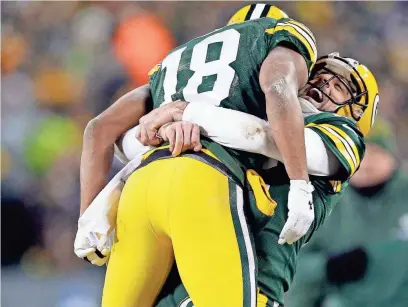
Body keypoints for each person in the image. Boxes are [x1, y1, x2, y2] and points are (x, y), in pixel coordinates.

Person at [77, 3, 318, 307]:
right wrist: (300, 183)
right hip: (202, 179)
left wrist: (87, 218)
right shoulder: (278, 37)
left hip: (140, 188)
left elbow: (98, 128)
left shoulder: (178, 58)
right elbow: (277, 85)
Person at [285, 118, 408, 307]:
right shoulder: (326, 202)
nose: (366, 165)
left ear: (391, 155)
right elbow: (295, 267)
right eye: (360, 156)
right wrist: (328, 268)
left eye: (375, 153)